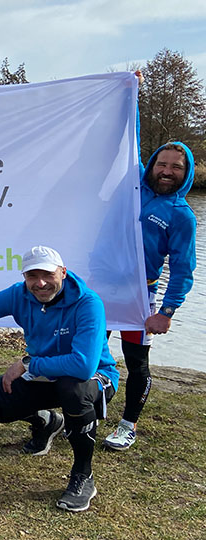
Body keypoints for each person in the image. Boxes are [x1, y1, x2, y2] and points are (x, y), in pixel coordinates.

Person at [0, 246, 119, 512]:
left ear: (62, 273)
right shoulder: (19, 295)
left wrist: (28, 363)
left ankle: (83, 476)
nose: (40, 283)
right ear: (24, 278)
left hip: (94, 377)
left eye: (47, 274)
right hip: (42, 375)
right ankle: (46, 421)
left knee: (72, 389)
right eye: (32, 276)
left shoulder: (88, 303)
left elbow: (83, 365)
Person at [104, 142, 197, 451]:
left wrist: (167, 311)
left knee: (136, 363)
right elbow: (128, 136)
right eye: (162, 164)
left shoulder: (182, 216)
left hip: (140, 296)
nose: (167, 171)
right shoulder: (132, 187)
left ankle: (127, 426)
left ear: (186, 173)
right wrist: (128, 91)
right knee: (89, 353)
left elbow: (183, 269)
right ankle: (86, 414)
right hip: (101, 289)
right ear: (152, 164)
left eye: (176, 167)